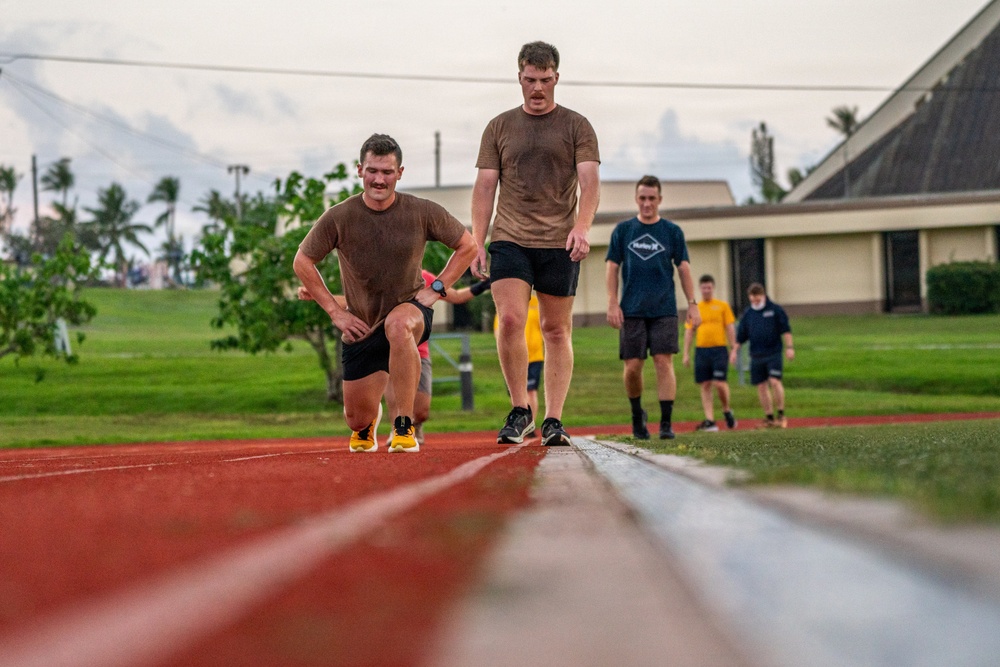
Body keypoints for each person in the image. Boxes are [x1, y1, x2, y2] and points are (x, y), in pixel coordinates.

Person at [293, 133, 476, 453]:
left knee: (399, 324)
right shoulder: (340, 216)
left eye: (387, 172)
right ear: (360, 169)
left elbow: (468, 246)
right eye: (373, 171)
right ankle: (367, 426)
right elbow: (303, 261)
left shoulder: (421, 211)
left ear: (400, 173)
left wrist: (436, 289)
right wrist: (336, 313)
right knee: (356, 419)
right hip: (361, 322)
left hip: (411, 311)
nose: (379, 179)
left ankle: (402, 426)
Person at [470, 40, 600, 447]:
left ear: (557, 78)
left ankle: (553, 418)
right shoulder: (499, 127)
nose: (538, 88)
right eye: (530, 80)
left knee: (554, 329)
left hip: (559, 241)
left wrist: (582, 226)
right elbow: (485, 186)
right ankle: (520, 409)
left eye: (545, 80)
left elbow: (590, 181)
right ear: (519, 77)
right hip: (510, 237)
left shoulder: (577, 126)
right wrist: (477, 240)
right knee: (509, 319)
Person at [606, 175, 701, 440]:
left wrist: (693, 304)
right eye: (642, 198)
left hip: (664, 308)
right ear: (636, 199)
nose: (647, 203)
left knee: (663, 361)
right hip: (632, 309)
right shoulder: (623, 231)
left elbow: (683, 268)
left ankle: (666, 424)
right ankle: (638, 416)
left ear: (660, 199)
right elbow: (612, 267)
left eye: (652, 198)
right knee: (633, 366)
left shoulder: (672, 232)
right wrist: (613, 302)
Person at [384, 271, 491, 446]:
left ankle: (416, 424)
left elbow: (456, 296)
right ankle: (396, 428)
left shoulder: (426, 278)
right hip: (393, 350)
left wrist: (484, 285)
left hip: (421, 350)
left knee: (421, 411)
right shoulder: (387, 276)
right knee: (395, 393)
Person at [729, 283, 795, 428]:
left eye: (757, 300)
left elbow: (786, 329)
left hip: (773, 353)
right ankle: (769, 417)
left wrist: (789, 347)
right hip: (756, 355)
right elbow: (741, 336)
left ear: (763, 296)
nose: (755, 303)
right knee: (761, 386)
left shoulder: (775, 310)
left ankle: (781, 414)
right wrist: (734, 351)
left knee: (775, 381)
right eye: (753, 300)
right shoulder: (748, 314)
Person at [682, 274, 738, 431]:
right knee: (705, 384)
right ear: (700, 289)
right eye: (704, 287)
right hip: (701, 350)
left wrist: (734, 349)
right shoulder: (696, 308)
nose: (706, 290)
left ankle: (727, 410)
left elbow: (730, 327)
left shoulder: (722, 306)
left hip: (719, 349)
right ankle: (710, 420)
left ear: (713, 288)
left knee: (719, 383)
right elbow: (689, 331)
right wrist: (686, 353)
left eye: (709, 287)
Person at [494, 292, 545, 436]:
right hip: (514, 358)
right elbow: (500, 330)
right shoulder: (507, 304)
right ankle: (519, 421)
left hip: (534, 355)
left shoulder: (536, 303)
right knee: (515, 392)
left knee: (531, 390)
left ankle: (530, 425)